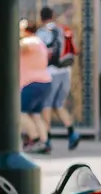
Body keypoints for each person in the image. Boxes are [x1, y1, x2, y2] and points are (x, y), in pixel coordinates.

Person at [36, 7, 80, 150]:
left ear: (41, 17)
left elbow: (39, 53)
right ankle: (72, 132)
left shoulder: (42, 32)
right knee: (58, 105)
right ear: (53, 16)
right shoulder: (62, 29)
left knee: (46, 106)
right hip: (65, 72)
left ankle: (47, 139)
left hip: (50, 73)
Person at [17, 19, 52, 154]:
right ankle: (44, 142)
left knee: (19, 113)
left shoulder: (30, 41)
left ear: (25, 30)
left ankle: (35, 139)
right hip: (43, 82)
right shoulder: (39, 42)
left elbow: (17, 47)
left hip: (33, 83)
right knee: (35, 114)